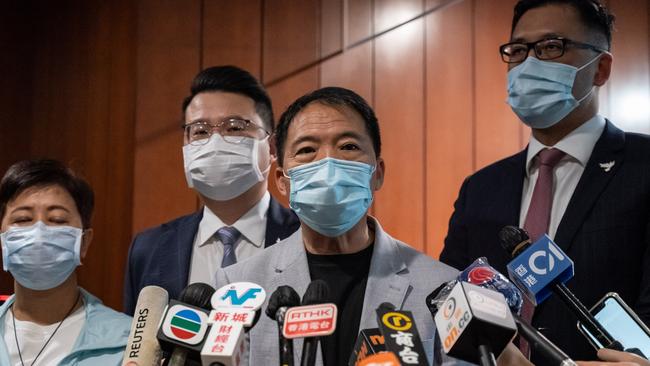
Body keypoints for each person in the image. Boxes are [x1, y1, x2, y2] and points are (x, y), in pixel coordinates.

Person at [215, 86, 526, 365]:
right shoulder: (237, 288)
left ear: (377, 173)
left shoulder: (443, 289)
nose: (328, 164)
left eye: (348, 147)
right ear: (283, 181)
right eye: (307, 150)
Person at [440, 0, 650, 362]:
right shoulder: (480, 188)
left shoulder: (643, 165)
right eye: (518, 50)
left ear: (600, 68)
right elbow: (449, 303)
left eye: (552, 47)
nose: (529, 64)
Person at [123, 65, 300, 315]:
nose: (215, 141)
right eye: (200, 131)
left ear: (271, 148)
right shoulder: (148, 249)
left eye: (235, 127)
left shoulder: (306, 236)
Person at [0, 159, 131, 365]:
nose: (39, 234)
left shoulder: (129, 342)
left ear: (84, 242)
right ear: (2, 240)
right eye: (23, 219)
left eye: (58, 220)